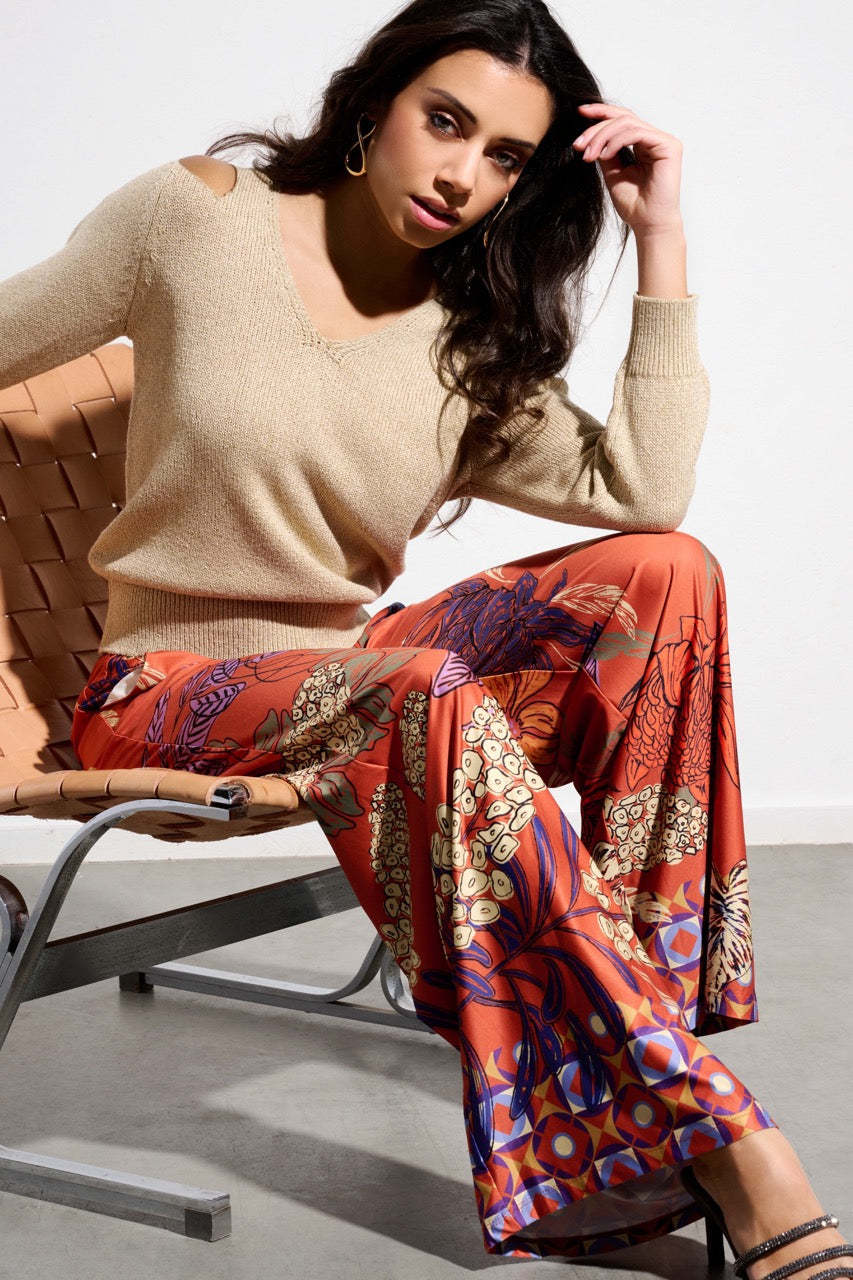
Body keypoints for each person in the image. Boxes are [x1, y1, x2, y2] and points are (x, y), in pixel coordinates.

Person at [0, 0, 848, 1272]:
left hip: (360, 681)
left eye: (504, 156)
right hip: (165, 690)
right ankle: (714, 1135)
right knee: (413, 686)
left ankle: (629, 1078)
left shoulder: (466, 338)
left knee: (662, 574)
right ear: (374, 103)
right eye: (443, 121)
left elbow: (645, 490)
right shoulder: (194, 218)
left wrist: (659, 236)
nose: (461, 173)